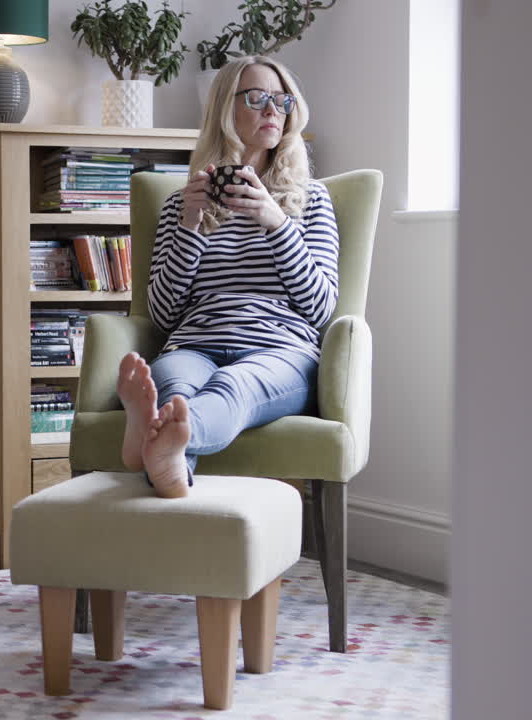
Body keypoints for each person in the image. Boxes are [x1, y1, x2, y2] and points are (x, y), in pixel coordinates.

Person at [117, 55, 340, 498]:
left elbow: (320, 307)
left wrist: (277, 223)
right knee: (176, 384)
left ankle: (148, 441)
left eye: (282, 100)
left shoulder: (310, 199)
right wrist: (191, 226)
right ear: (225, 110)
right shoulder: (181, 204)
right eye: (257, 98)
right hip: (196, 342)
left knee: (230, 385)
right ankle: (167, 466)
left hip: (279, 349)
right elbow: (162, 313)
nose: (273, 110)